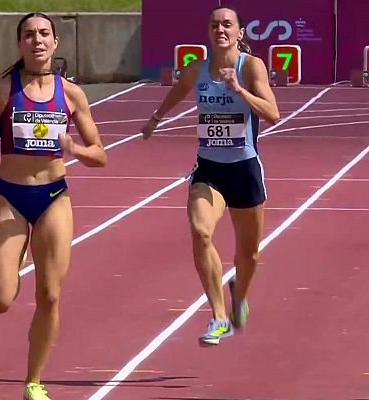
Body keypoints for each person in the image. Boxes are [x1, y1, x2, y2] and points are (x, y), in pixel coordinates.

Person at [0, 12, 106, 400]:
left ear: (55, 43)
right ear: (19, 44)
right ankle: (16, 258)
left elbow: (100, 154)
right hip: (9, 196)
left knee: (50, 294)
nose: (37, 40)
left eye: (43, 34)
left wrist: (76, 149)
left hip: (54, 197)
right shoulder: (4, 91)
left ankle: (33, 381)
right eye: (28, 34)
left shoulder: (71, 94)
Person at [141, 4, 280, 346]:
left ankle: (238, 298)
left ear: (240, 33)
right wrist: (156, 119)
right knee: (201, 231)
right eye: (215, 25)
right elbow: (177, 92)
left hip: (245, 168)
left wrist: (240, 90)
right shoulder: (196, 70)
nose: (221, 30)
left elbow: (274, 113)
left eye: (227, 25)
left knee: (249, 255)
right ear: (208, 32)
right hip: (209, 169)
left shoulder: (252, 67)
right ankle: (219, 316)